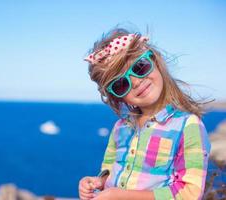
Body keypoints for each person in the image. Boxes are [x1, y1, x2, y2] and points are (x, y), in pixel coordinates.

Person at [78, 28, 211, 200]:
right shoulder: (120, 128)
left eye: (140, 67)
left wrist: (121, 196)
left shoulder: (188, 126)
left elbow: (189, 193)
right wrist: (98, 182)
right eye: (120, 84)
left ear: (155, 60)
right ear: (116, 97)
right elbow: (111, 169)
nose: (136, 81)